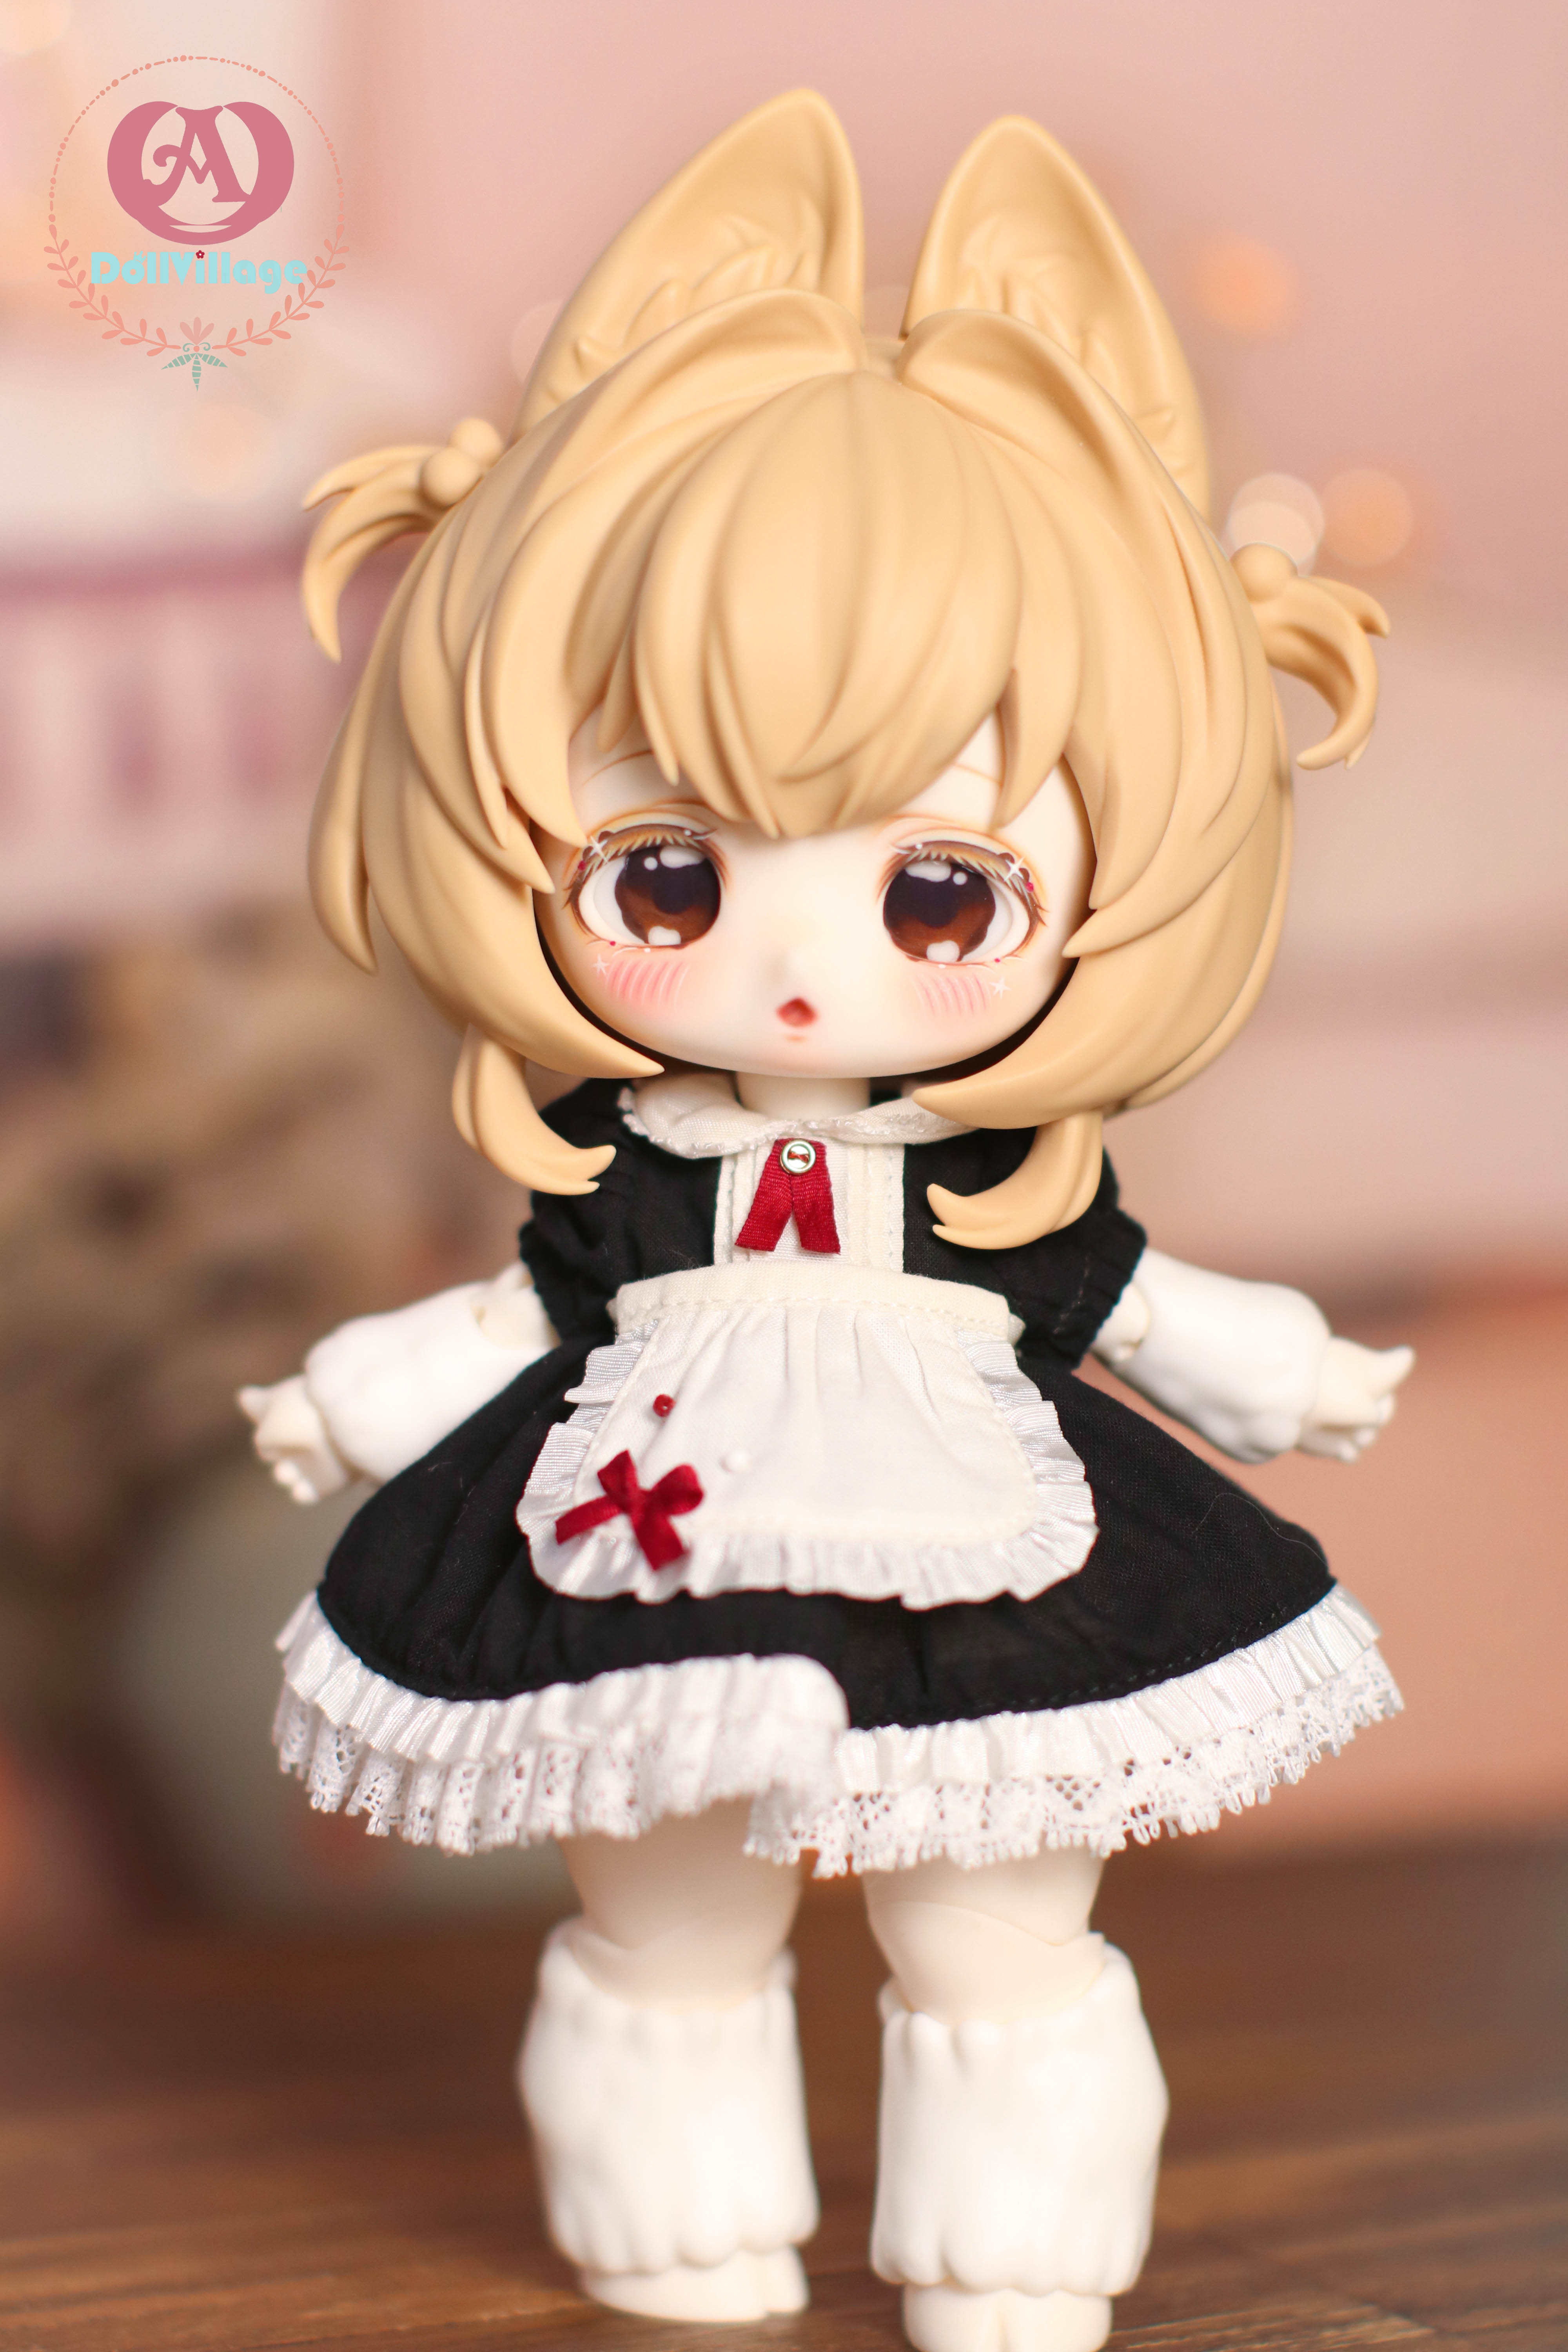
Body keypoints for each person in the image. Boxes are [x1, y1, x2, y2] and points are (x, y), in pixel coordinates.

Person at [242, 93, 1410, 2352]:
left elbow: (1121, 1296)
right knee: (668, 1905)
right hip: (650, 1544)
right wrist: (350, 1401)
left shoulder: (985, 1186)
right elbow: (527, 1311)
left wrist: (1284, 1371)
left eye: (939, 896)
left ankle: (1013, 2250)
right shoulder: (632, 1176)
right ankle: (671, 2216)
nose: (796, 971)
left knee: (995, 1919)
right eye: (669, 876)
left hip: (984, 1554)